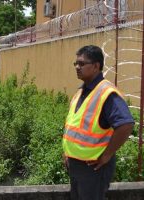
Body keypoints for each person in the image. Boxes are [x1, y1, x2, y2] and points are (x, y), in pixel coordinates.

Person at [62, 45, 134, 200]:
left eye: (81, 64)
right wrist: (68, 153)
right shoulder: (81, 91)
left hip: (93, 168)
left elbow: (126, 124)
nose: (77, 67)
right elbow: (74, 127)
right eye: (75, 63)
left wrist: (107, 155)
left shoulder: (106, 93)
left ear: (96, 66)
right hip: (76, 165)